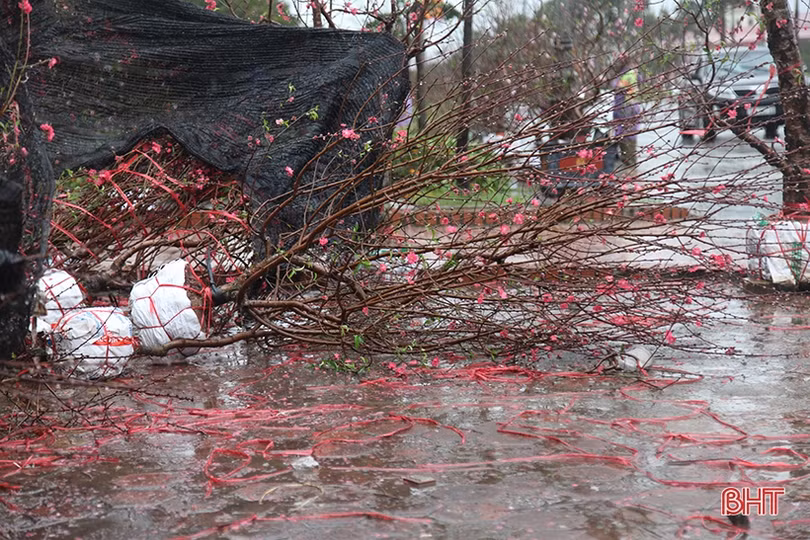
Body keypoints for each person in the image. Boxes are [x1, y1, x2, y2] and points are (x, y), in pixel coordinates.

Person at [613, 65, 640, 170]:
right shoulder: (633, 74)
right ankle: (630, 161)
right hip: (630, 106)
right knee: (629, 134)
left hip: (626, 106)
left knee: (626, 134)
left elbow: (619, 87)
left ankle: (629, 162)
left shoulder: (626, 75)